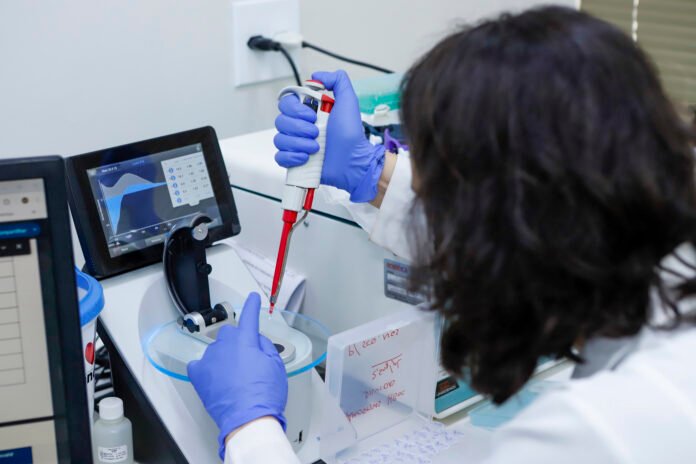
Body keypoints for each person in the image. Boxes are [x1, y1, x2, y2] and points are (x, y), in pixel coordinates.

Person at [188, 6, 696, 463]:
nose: (429, 203)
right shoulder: (659, 253)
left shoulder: (593, 434)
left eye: (435, 182)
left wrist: (251, 428)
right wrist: (372, 172)